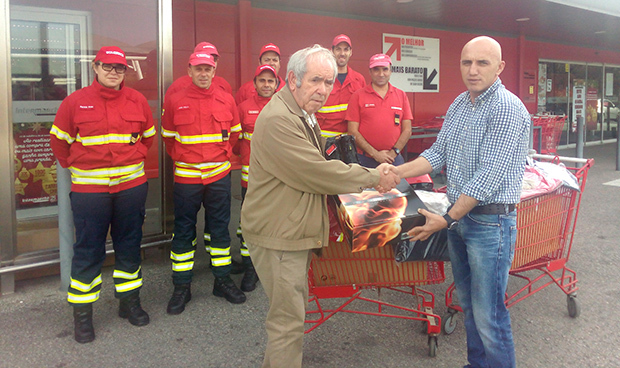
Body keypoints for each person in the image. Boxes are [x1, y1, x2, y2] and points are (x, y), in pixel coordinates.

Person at [241, 44, 400, 368]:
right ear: (292, 80)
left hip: (287, 227)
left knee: (289, 321)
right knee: (288, 324)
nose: (323, 90)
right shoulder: (279, 119)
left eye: (328, 82)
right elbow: (315, 171)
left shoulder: (301, 112)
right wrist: (372, 176)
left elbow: (316, 163)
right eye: (315, 81)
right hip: (279, 235)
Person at [396, 36, 531, 368]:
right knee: (470, 306)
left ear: (499, 67)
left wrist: (446, 218)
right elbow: (438, 153)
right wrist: (395, 171)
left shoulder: (508, 108)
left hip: (489, 224)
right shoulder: (460, 103)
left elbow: (489, 175)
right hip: (460, 220)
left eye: (482, 63)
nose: (472, 70)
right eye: (466, 62)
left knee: (489, 314)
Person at [50, 46, 156, 343]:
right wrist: (77, 166)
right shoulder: (75, 102)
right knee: (88, 251)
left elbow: (148, 138)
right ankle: (83, 316)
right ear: (95, 67)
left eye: (119, 68)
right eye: (107, 66)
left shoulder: (137, 101)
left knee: (129, 246)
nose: (113, 72)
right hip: (90, 193)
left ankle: (129, 304)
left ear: (125, 71)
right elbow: (60, 142)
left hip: (130, 189)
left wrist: (133, 156)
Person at [161, 51, 244, 315]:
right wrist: (186, 159)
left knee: (220, 228)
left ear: (214, 69)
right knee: (184, 230)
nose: (204, 73)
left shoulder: (226, 99)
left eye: (208, 68)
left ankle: (222, 280)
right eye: (198, 69)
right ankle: (182, 287)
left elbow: (234, 135)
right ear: (189, 70)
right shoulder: (175, 100)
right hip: (187, 177)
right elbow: (168, 138)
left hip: (219, 175)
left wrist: (218, 158)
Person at [234, 64, 278, 292]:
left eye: (271, 81)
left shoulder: (285, 108)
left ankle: (270, 268)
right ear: (254, 83)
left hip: (278, 181)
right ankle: (251, 268)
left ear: (277, 84)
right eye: (262, 80)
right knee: (248, 225)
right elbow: (234, 144)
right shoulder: (242, 108)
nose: (266, 85)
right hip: (250, 180)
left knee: (276, 223)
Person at [346, 53, 412, 168]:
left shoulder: (401, 95)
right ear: (370, 72)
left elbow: (407, 130)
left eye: (385, 69)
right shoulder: (357, 96)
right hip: (365, 159)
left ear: (391, 71)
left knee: (397, 186)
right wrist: (375, 154)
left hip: (394, 159)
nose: (381, 74)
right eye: (376, 70)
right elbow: (352, 131)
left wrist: (393, 152)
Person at [316, 34, 366, 138]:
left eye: (346, 50)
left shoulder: (359, 80)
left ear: (350, 52)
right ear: (332, 51)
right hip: (324, 142)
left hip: (349, 144)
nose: (342, 53)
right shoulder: (321, 77)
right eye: (338, 49)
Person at [165, 42, 233, 99]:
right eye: (204, 58)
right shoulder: (177, 86)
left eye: (214, 59)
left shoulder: (224, 84)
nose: (210, 61)